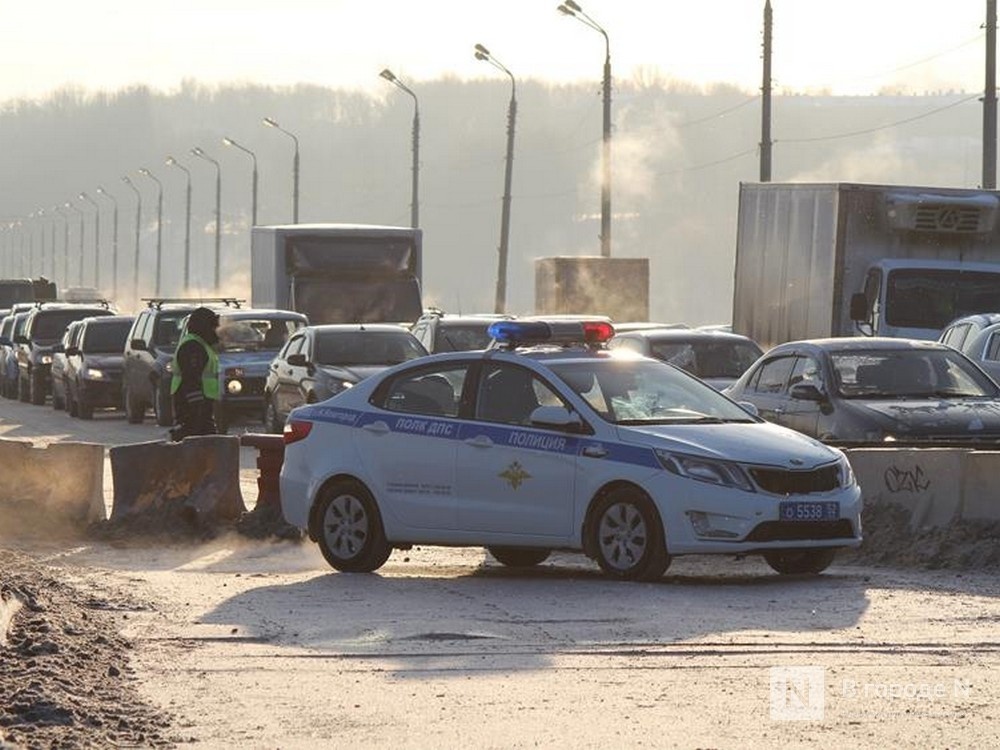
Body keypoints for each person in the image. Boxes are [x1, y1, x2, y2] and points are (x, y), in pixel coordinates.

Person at [169, 307, 220, 440]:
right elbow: (190, 379)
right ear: (204, 327)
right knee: (193, 442)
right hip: (192, 406)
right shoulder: (192, 346)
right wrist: (197, 407)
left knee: (203, 443)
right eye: (213, 328)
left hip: (201, 405)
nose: (216, 332)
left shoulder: (200, 345)